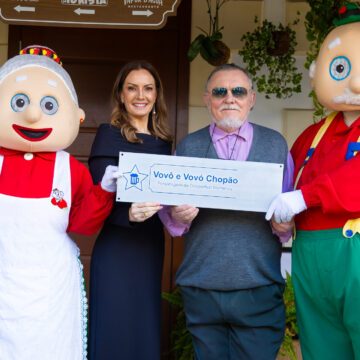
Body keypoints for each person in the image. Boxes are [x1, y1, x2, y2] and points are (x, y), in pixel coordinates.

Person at [160, 63, 294, 360]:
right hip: (202, 287)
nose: (229, 98)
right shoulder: (188, 147)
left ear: (251, 98)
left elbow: (286, 221)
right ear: (208, 99)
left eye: (238, 91)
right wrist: (178, 216)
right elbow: (171, 219)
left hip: (258, 286)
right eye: (220, 92)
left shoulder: (275, 145)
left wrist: (284, 224)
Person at [0, 45, 119, 360]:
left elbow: (81, 223)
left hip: (50, 287)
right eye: (19, 102)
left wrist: (104, 190)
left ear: (76, 116)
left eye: (49, 104)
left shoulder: (71, 169)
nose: (33, 115)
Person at [266, 4, 360, 359]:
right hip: (310, 257)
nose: (354, 81)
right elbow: (286, 188)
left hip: (354, 254)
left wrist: (306, 196)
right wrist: (283, 217)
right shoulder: (310, 136)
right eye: (342, 68)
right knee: (320, 344)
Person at [88, 60, 172, 360]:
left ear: (156, 94)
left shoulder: (164, 142)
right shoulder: (108, 135)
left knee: (143, 328)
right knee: (113, 329)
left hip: (149, 245)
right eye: (132, 88)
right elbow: (99, 195)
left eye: (148, 88)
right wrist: (127, 215)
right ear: (121, 95)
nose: (141, 95)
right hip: (116, 246)